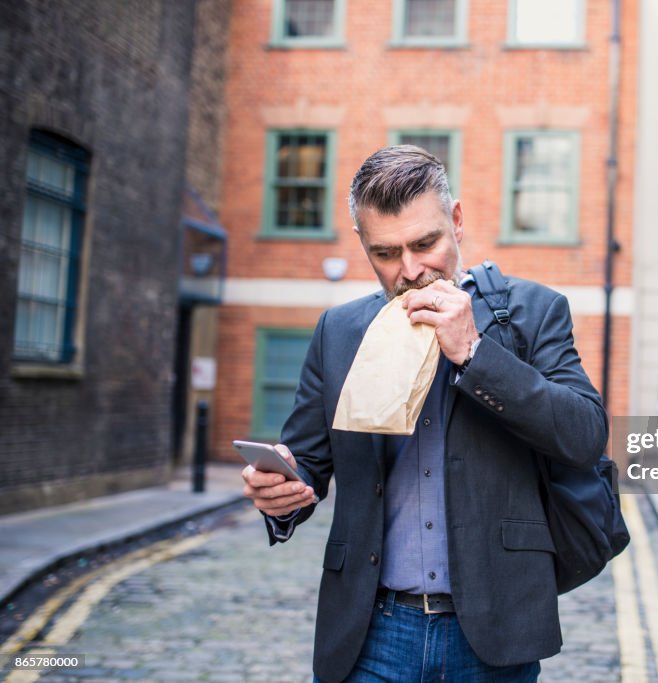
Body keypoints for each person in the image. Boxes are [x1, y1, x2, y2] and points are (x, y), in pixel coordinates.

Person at [240, 145, 608, 683]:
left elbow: (584, 436)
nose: (410, 270)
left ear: (456, 221)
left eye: (426, 243)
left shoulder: (533, 312)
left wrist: (477, 354)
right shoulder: (338, 332)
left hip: (492, 631)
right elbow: (308, 467)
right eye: (386, 253)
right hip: (370, 633)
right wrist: (282, 494)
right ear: (364, 245)